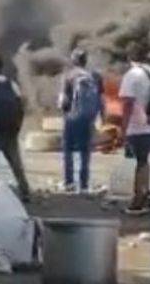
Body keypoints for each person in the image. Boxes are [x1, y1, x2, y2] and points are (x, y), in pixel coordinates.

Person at [0, 54, 31, 202]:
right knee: (16, 164)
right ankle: (25, 192)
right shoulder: (12, 85)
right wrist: (17, 127)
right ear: (2, 67)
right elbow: (21, 107)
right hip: (11, 132)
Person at [119, 42, 150, 214]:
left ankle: (139, 199)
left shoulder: (131, 75)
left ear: (129, 57)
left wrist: (123, 128)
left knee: (140, 162)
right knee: (144, 160)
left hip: (138, 126)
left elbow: (127, 103)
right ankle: (146, 194)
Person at [58, 48, 105, 193]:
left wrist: (63, 112)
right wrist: (102, 118)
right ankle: (84, 184)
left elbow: (63, 101)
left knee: (68, 149)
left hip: (72, 117)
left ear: (73, 60)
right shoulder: (95, 76)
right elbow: (102, 100)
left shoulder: (69, 76)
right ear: (86, 60)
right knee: (85, 151)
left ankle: (69, 182)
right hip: (88, 118)